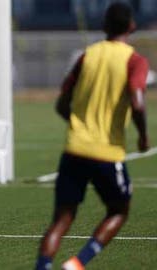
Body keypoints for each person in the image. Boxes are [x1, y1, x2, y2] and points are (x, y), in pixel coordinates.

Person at [35, 3, 149, 270]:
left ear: (104, 26)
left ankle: (43, 266)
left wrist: (79, 124)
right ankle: (76, 264)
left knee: (61, 219)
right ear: (131, 26)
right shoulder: (135, 60)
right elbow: (138, 101)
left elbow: (62, 103)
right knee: (119, 210)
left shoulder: (88, 55)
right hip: (107, 152)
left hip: (74, 148)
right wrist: (143, 135)